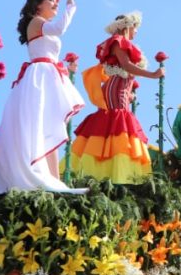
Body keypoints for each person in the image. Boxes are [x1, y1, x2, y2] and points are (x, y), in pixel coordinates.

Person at [0, 0, 85, 195]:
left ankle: (55, 180)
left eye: (56, 1)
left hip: (49, 73)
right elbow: (60, 29)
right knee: (44, 122)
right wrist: (70, 9)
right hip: (40, 75)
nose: (55, 4)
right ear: (37, 5)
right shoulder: (36, 22)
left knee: (51, 123)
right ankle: (47, 177)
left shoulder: (41, 24)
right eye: (51, 0)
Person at [69, 12, 163, 183]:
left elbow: (124, 71)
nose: (136, 32)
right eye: (136, 27)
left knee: (118, 125)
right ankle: (110, 173)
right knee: (117, 124)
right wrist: (153, 74)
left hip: (119, 92)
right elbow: (126, 66)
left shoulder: (123, 43)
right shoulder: (118, 42)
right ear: (128, 26)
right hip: (115, 92)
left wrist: (129, 94)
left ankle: (110, 171)